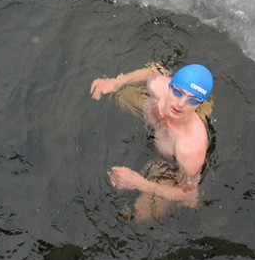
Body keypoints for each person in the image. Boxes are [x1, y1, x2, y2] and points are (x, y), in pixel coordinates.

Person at [90, 63, 213, 220]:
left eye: (193, 100)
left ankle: (206, 110)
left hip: (171, 168)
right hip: (158, 120)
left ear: (199, 103)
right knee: (120, 96)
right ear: (170, 85)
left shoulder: (190, 147)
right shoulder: (159, 86)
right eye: (177, 92)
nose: (181, 103)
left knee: (139, 215)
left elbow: (190, 196)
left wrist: (140, 183)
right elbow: (154, 69)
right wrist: (115, 83)